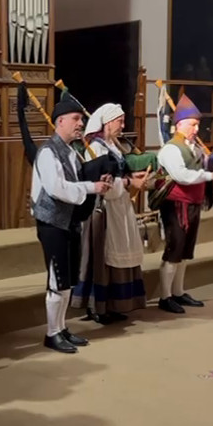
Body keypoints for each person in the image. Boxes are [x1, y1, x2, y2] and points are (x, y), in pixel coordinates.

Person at [31, 93, 111, 353]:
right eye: (75, 119)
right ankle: (51, 333)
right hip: (52, 222)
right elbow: (56, 189)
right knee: (56, 280)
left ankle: (61, 327)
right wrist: (91, 186)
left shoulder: (71, 152)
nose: (80, 124)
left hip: (69, 222)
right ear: (60, 121)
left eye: (81, 119)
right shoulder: (47, 152)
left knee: (66, 280)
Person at [71, 103, 149, 324]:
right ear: (106, 122)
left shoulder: (112, 145)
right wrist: (128, 181)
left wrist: (134, 177)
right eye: (119, 121)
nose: (123, 126)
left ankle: (114, 303)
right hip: (102, 208)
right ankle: (98, 306)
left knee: (119, 251)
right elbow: (99, 182)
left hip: (119, 205)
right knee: (102, 256)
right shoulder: (95, 148)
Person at [154, 94, 213, 313]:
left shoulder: (194, 148)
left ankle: (178, 292)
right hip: (176, 206)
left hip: (192, 204)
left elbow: (198, 167)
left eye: (198, 125)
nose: (196, 129)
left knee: (185, 252)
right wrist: (210, 177)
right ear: (179, 125)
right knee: (174, 250)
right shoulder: (170, 149)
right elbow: (182, 175)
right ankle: (165, 297)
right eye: (193, 124)